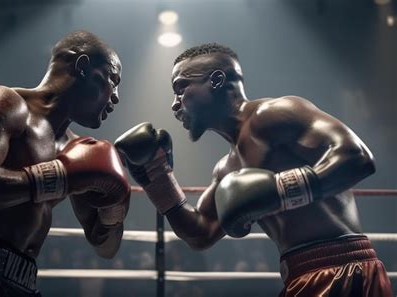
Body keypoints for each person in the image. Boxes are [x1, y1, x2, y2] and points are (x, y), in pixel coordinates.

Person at [115, 43, 394, 296]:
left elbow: (357, 157)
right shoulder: (226, 169)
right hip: (298, 276)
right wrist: (157, 179)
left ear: (216, 80)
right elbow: (200, 233)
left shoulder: (275, 113)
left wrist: (280, 190)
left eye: (181, 87)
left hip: (345, 270)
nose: (175, 104)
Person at [0, 30, 131, 297]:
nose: (115, 96)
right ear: (82, 67)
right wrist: (58, 176)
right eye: (112, 80)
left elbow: (105, 247)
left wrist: (114, 209)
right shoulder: (5, 103)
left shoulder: (77, 149)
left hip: (22, 281)